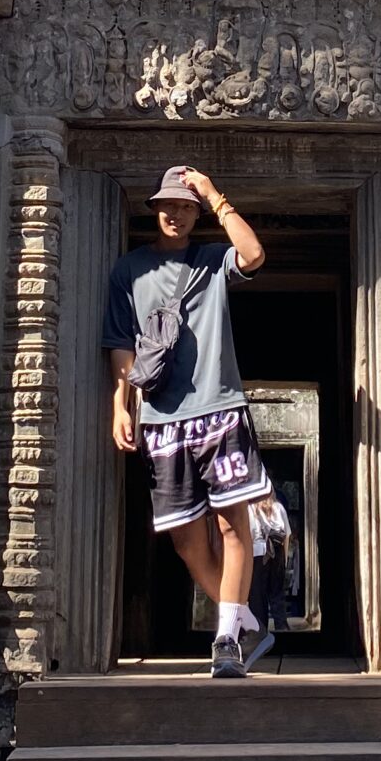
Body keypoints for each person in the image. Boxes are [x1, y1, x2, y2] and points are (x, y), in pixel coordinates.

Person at [103, 164, 269, 678]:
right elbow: (120, 344)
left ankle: (224, 640)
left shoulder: (213, 260)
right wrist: (120, 405)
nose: (175, 213)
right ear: (154, 210)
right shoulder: (129, 270)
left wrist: (216, 195)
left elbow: (254, 255)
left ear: (197, 213)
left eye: (184, 205)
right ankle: (239, 619)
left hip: (219, 408)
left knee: (231, 523)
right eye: (167, 205)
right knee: (185, 538)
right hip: (161, 418)